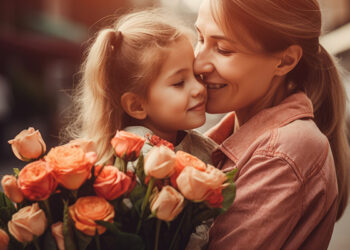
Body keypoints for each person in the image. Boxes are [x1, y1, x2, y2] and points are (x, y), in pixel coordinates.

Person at [193, 0, 350, 249]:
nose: (198, 64)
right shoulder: (222, 138)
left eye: (223, 49)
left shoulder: (282, 153)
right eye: (200, 38)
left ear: (285, 61)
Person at [62, 9, 216, 166]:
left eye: (197, 75)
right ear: (137, 105)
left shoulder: (197, 144)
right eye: (179, 83)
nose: (199, 88)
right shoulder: (138, 160)